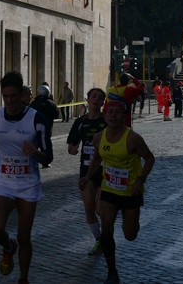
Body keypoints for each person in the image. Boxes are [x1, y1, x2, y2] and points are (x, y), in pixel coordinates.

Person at [0, 71, 53, 284]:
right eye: (6, 97)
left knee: (24, 236)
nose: (10, 101)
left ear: (21, 94)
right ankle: (8, 246)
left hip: (28, 183)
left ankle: (23, 278)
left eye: (13, 96)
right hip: (4, 182)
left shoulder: (36, 119)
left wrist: (36, 153)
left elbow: (48, 157)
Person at [80, 99, 155, 284]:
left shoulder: (133, 138)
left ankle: (133, 224)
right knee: (107, 230)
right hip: (109, 190)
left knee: (130, 235)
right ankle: (112, 271)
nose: (113, 115)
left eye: (117, 112)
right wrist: (88, 177)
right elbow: (97, 159)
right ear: (105, 116)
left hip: (131, 193)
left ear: (124, 116)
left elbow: (150, 159)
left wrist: (140, 179)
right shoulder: (99, 137)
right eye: (110, 112)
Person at [66, 88, 107, 256]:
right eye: (94, 97)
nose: (96, 100)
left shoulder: (107, 120)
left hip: (105, 170)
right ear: (88, 100)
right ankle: (100, 240)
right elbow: (71, 147)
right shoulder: (80, 122)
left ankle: (106, 237)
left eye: (100, 98)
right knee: (89, 207)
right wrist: (73, 149)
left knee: (101, 210)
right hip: (86, 172)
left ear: (103, 102)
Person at [30, 85, 59, 168]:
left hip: (34, 129)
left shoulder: (34, 103)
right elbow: (56, 115)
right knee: (45, 146)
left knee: (34, 145)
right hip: (47, 128)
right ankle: (45, 162)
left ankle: (31, 161)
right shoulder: (51, 104)